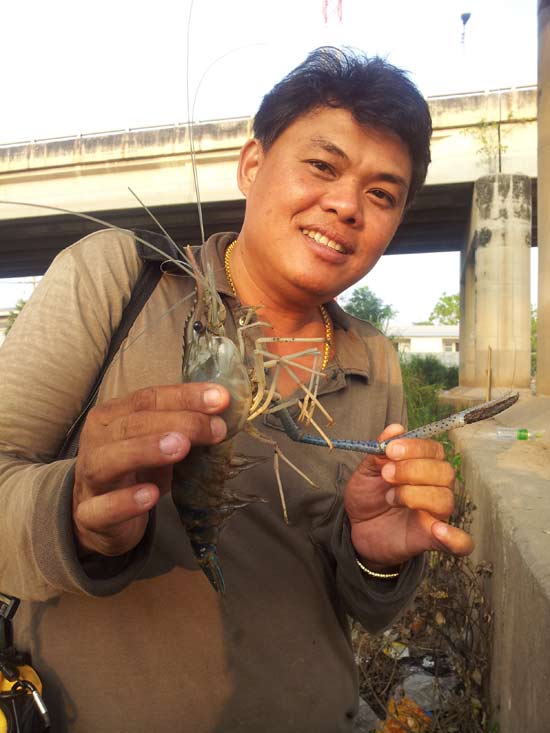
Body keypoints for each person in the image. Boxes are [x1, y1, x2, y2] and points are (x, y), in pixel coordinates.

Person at [0, 47, 473, 732]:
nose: (345, 204)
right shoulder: (114, 279)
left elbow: (367, 608)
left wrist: (374, 556)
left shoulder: (374, 357)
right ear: (252, 164)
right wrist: (73, 514)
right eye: (322, 165)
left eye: (382, 193)